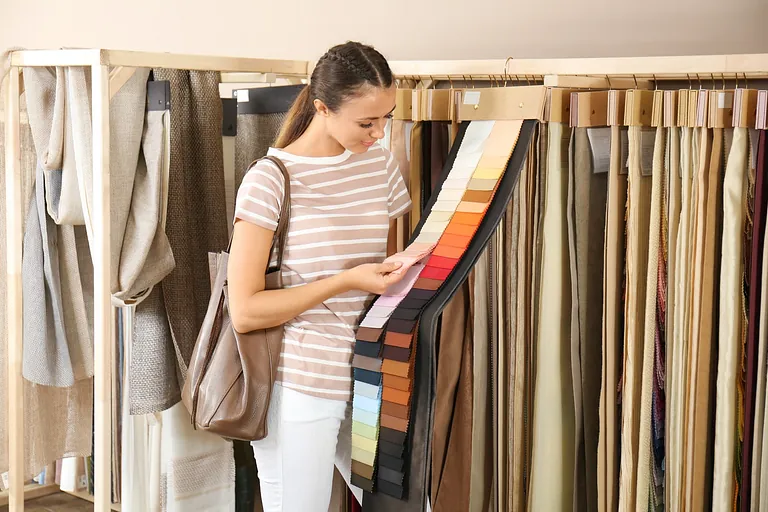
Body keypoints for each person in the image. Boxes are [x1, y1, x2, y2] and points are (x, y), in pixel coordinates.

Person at [227, 41, 412, 511]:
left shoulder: (380, 165)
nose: (379, 132)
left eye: (386, 117)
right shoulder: (271, 179)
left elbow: (388, 264)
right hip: (302, 381)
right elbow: (245, 311)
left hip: (371, 373)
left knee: (410, 504)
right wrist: (347, 281)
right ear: (322, 109)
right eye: (366, 122)